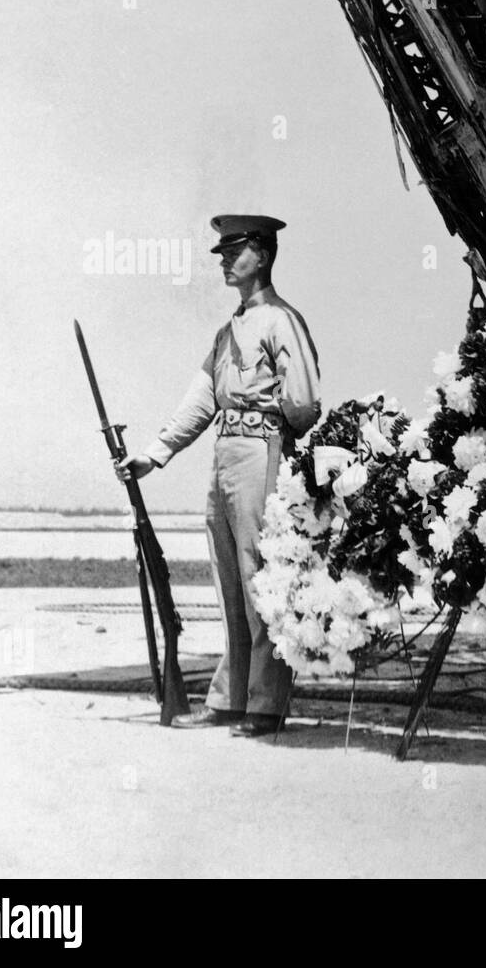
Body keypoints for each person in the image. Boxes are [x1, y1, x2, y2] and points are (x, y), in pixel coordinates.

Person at [115, 215, 321, 737]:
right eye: (223, 252)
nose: (225, 260)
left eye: (235, 251)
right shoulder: (228, 331)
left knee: (260, 577)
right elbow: (202, 399)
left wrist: (274, 431)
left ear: (264, 254)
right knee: (228, 579)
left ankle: (266, 705)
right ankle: (231, 699)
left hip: (261, 451)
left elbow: (304, 403)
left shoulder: (281, 320)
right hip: (225, 454)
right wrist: (154, 454)